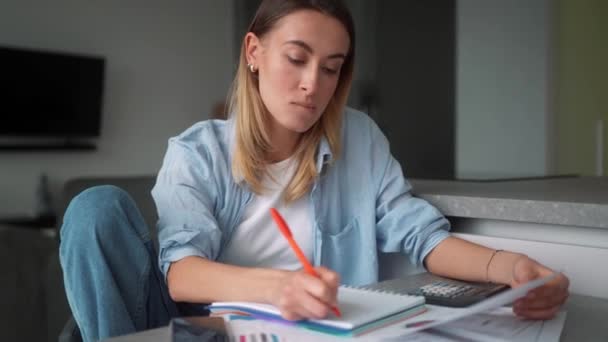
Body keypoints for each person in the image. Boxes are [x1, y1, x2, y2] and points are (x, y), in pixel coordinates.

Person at [59, 0, 570, 341]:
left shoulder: (359, 138)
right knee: (94, 208)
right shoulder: (200, 151)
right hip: (201, 328)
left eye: (331, 68)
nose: (313, 84)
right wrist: (277, 288)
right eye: (297, 59)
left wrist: (513, 268)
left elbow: (420, 236)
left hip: (306, 334)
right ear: (254, 53)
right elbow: (182, 275)